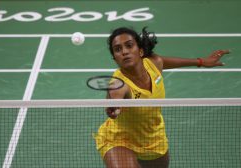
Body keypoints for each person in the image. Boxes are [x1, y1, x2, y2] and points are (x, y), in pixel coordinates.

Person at [94, 27, 230, 168]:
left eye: (129, 45)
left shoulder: (153, 63)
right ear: (115, 58)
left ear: (140, 51)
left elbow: (165, 62)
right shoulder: (118, 83)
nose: (124, 52)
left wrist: (201, 61)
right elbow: (114, 94)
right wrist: (114, 107)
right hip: (120, 140)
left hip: (153, 138)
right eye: (118, 49)